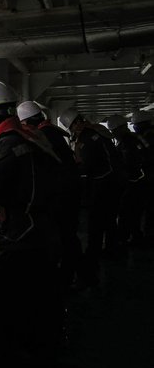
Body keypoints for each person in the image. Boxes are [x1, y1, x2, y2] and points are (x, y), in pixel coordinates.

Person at [0, 85, 62, 368]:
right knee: (42, 304)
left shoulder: (6, 146)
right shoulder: (36, 138)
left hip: (20, 240)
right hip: (46, 233)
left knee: (20, 308)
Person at [18, 101, 82, 290]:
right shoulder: (53, 133)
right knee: (68, 236)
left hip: (61, 196)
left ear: (27, 122)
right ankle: (75, 275)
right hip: (70, 192)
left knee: (64, 237)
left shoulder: (43, 136)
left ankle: (68, 277)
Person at [59, 109, 124, 284]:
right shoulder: (97, 131)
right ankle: (112, 248)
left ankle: (93, 255)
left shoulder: (87, 138)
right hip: (114, 182)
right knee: (110, 219)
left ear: (74, 125)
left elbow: (86, 166)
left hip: (104, 184)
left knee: (96, 221)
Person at [107, 114, 147, 246]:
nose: (114, 134)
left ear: (120, 129)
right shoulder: (134, 139)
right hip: (139, 182)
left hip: (131, 183)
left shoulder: (126, 143)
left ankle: (122, 240)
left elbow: (128, 163)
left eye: (114, 131)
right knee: (135, 213)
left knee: (126, 213)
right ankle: (136, 237)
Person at [131, 110, 154, 236]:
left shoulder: (146, 137)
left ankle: (148, 235)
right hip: (149, 176)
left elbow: (147, 156)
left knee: (147, 208)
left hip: (149, 178)